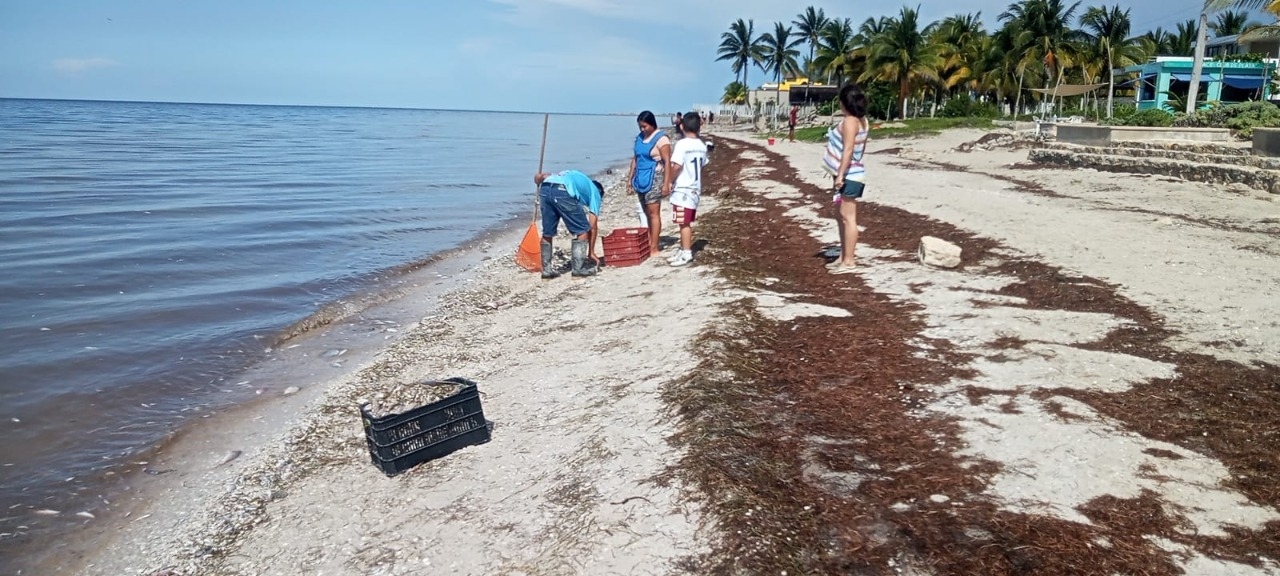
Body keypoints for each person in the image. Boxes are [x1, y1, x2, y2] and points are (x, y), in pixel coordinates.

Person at [822, 83, 870, 275]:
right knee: (840, 216)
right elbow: (860, 148)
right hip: (851, 173)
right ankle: (843, 256)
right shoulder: (862, 121)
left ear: (844, 102)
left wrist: (840, 174)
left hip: (850, 175)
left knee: (849, 218)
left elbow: (849, 149)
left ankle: (849, 261)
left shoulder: (851, 122)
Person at [533, 170, 604, 278]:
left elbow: (540, 177)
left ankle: (546, 270)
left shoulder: (571, 175)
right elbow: (592, 226)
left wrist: (537, 179)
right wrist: (591, 252)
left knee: (548, 232)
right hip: (563, 191)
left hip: (546, 188)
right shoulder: (595, 192)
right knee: (583, 230)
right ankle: (578, 269)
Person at [663, 112, 709, 267]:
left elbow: (676, 166)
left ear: (681, 126)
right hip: (695, 188)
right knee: (683, 221)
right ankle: (683, 249)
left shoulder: (682, 144)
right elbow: (703, 163)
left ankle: (687, 252)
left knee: (684, 222)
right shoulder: (701, 145)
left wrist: (669, 180)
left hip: (684, 189)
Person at [627, 111, 672, 256]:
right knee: (646, 212)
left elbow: (667, 162)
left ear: (652, 124)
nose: (642, 129)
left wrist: (666, 184)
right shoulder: (639, 138)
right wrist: (630, 179)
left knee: (654, 213)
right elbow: (635, 159)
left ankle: (654, 247)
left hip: (655, 178)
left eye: (644, 126)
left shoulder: (662, 139)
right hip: (640, 177)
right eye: (640, 127)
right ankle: (649, 240)